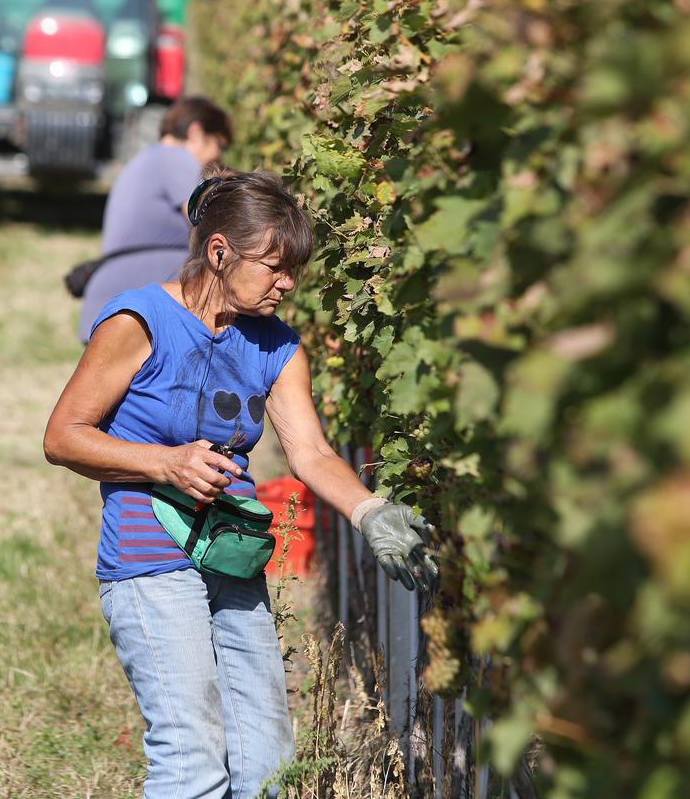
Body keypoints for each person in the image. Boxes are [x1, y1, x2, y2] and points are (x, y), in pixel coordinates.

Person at [44, 166, 439, 797]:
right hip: (150, 561)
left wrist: (371, 513)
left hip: (232, 557)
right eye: (275, 267)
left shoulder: (278, 346)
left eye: (294, 271)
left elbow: (309, 453)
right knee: (191, 755)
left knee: (268, 764)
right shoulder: (137, 323)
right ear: (220, 252)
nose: (288, 284)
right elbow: (62, 435)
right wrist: (164, 462)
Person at [76, 96, 233, 343]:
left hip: (123, 299)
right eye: (220, 146)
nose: (219, 157)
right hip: (135, 305)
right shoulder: (173, 157)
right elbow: (206, 220)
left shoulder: (150, 159)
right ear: (196, 132)